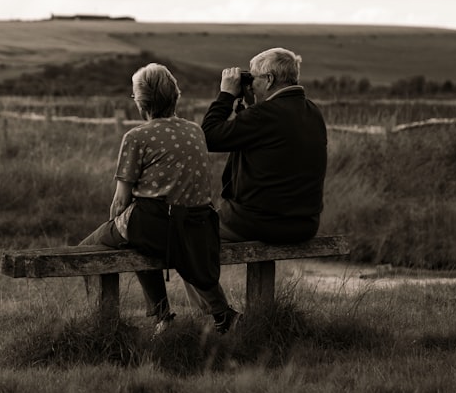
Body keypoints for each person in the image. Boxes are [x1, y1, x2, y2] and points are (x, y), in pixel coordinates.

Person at [80, 63, 240, 335]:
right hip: (196, 227)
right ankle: (213, 314)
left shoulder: (136, 137)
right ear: (175, 96)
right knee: (140, 240)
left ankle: (126, 324)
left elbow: (121, 201)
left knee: (88, 250)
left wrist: (114, 227)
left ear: (142, 104)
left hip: (155, 226)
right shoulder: (195, 131)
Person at [201, 47, 327, 244]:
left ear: (268, 79)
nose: (250, 86)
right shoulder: (312, 111)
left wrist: (226, 95)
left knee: (189, 231)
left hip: (257, 224)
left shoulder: (263, 116)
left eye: (253, 79)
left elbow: (207, 136)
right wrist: (251, 105)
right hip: (305, 225)